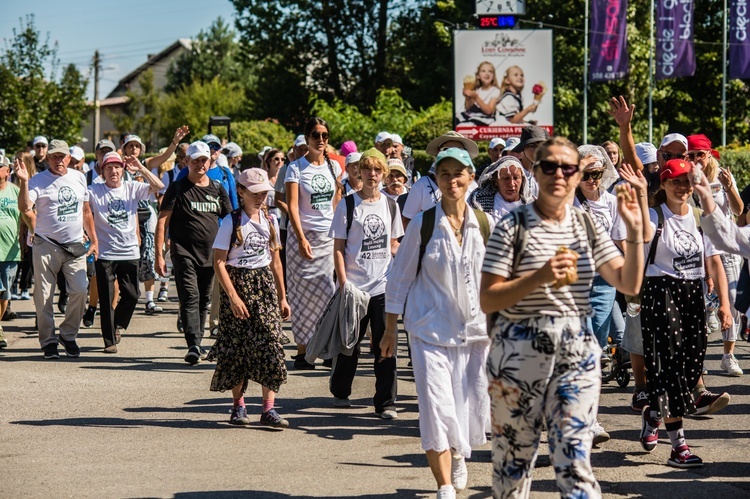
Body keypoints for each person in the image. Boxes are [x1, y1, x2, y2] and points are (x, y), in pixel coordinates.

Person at [480, 136, 644, 497]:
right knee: (513, 469)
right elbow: (488, 299)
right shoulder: (512, 226)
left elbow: (629, 283)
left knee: (575, 464)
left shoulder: (587, 224)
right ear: (535, 173)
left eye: (568, 167)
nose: (559, 173)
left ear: (577, 174)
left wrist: (633, 233)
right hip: (518, 356)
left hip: (575, 355)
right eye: (549, 166)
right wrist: (539, 276)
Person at [382, 148, 493, 499]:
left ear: (471, 176)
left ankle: (459, 453)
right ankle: (444, 485)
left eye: (458, 172)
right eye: (444, 173)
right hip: (428, 329)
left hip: (475, 333)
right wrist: (389, 328)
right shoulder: (423, 223)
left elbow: (497, 279)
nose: (452, 179)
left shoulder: (485, 224)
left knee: (465, 408)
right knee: (435, 406)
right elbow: (398, 279)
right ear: (436, 179)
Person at [636, 158, 730, 468]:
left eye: (687, 181)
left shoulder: (701, 217)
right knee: (668, 369)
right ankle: (679, 446)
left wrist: (726, 306)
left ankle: (653, 414)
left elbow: (714, 262)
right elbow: (638, 238)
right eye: (675, 180)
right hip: (660, 293)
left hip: (693, 295)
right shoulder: (654, 215)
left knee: (692, 368)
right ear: (662, 184)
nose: (683, 186)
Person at [209, 168, 291, 428]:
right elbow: (219, 262)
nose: (261, 197)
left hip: (264, 283)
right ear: (241, 192)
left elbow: (276, 261)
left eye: (264, 192)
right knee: (236, 347)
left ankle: (269, 409)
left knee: (271, 343)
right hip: (238, 284)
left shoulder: (270, 220)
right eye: (255, 193)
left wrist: (282, 296)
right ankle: (238, 407)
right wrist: (233, 297)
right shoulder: (230, 222)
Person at [329, 149, 403, 416]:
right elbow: (337, 247)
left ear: (383, 174)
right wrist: (343, 282)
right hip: (354, 287)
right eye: (367, 169)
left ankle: (386, 403)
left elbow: (394, 243)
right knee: (349, 344)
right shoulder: (348, 205)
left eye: (377, 170)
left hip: (383, 286)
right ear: (358, 172)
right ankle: (340, 389)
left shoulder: (391, 205)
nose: (372, 174)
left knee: (386, 344)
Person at [16, 140, 98, 359]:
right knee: (43, 297)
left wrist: (94, 238)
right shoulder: (37, 180)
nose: (58, 160)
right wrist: (24, 183)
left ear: (69, 158)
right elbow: (25, 207)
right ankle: (49, 341)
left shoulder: (79, 177)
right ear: (48, 158)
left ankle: (68, 335)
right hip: (46, 245)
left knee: (80, 291)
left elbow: (86, 211)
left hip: (75, 246)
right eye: (54, 156)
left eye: (62, 156)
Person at [155, 141, 232, 364]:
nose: (200, 164)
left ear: (210, 161)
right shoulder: (178, 187)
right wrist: (159, 255)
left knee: (204, 299)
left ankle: (197, 342)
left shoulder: (217, 188)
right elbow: (162, 221)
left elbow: (230, 219)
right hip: (183, 251)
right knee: (190, 297)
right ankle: (194, 344)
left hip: (211, 254)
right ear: (186, 161)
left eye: (204, 160)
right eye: (196, 160)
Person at [88, 152, 163, 353]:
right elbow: (82, 208)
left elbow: (158, 187)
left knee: (132, 294)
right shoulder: (94, 190)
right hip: (105, 253)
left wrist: (141, 168)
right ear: (102, 171)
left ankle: (117, 324)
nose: (113, 171)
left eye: (117, 167)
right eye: (109, 167)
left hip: (129, 251)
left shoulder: (132, 188)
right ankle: (109, 341)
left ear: (123, 170)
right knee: (107, 298)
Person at [284, 118, 342, 369]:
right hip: (302, 237)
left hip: (327, 238)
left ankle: (327, 348)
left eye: (325, 135)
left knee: (329, 293)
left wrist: (340, 234)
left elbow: (336, 203)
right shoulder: (295, 168)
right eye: (316, 135)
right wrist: (300, 238)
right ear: (307, 139)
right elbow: (293, 207)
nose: (321, 140)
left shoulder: (334, 168)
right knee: (300, 294)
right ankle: (303, 350)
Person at [687, 133, 744, 376]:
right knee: (696, 306)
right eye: (692, 155)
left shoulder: (722, 177)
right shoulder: (686, 176)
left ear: (709, 154)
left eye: (701, 154)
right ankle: (696, 361)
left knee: (731, 302)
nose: (697, 159)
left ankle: (728, 356)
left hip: (726, 249)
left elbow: (739, 210)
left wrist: (730, 188)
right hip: (696, 249)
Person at [401, 131, 479, 227]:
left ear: (471, 178)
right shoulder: (421, 185)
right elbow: (407, 221)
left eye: (459, 150)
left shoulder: (474, 188)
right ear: (438, 152)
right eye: (446, 149)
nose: (453, 153)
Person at [0, 153, 25, 348]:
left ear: (7, 171)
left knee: (5, 295)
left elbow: (27, 215)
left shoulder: (15, 191)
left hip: (10, 252)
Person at [469, 156, 530, 223]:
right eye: (506, 178)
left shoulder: (533, 206)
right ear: (496, 181)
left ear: (522, 180)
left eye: (516, 178)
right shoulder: (479, 204)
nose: (512, 184)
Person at [509, 125, 550, 200]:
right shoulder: (512, 173)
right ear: (523, 148)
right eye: (532, 145)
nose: (536, 150)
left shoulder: (548, 173)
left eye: (540, 145)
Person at [457, 61, 501, 126]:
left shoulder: (495, 91)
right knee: (457, 117)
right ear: (478, 76)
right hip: (471, 115)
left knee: (467, 125)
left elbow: (489, 111)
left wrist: (476, 98)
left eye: (490, 71)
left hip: (484, 118)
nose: (487, 73)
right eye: (483, 71)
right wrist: (468, 97)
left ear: (493, 76)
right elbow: (468, 108)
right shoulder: (477, 90)